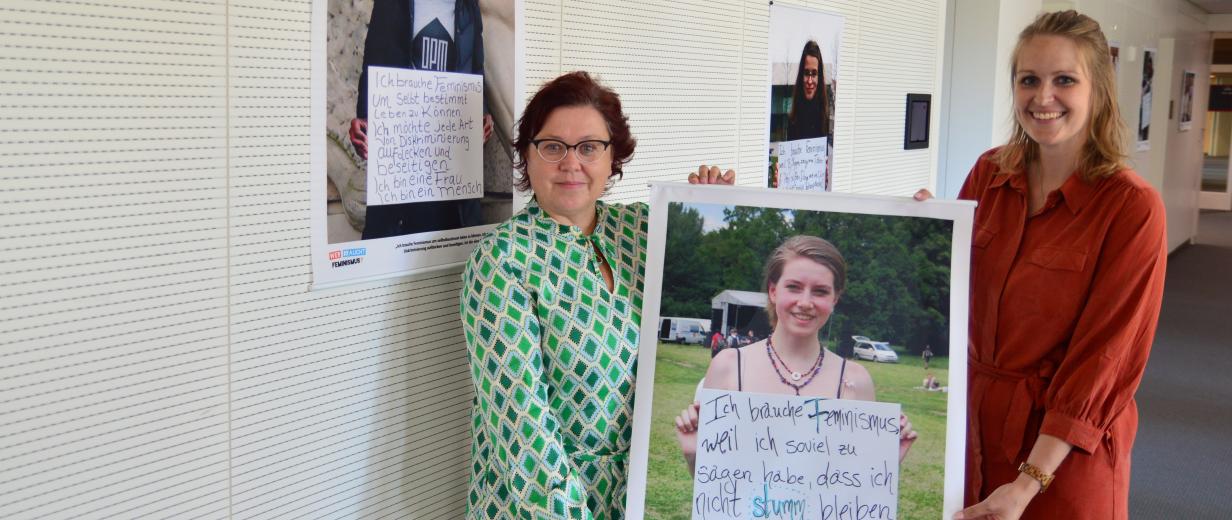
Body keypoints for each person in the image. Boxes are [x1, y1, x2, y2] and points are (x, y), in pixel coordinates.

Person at [917, 11, 1166, 520]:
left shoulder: (1131, 207)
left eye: (1065, 80)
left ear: (1098, 91)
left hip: (1066, 454)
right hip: (974, 436)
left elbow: (1103, 361)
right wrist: (919, 228)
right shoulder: (989, 173)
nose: (1042, 96)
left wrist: (1027, 483)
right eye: (1028, 79)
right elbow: (949, 294)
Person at [459, 71, 735, 519]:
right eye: (552, 147)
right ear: (527, 157)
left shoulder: (643, 230)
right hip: (540, 503)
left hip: (632, 498)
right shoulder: (501, 261)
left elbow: (729, 272)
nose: (571, 164)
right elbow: (522, 431)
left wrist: (717, 204)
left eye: (589, 147)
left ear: (613, 158)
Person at [674, 236, 918, 472]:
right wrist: (694, 455)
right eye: (794, 287)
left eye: (820, 291)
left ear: (835, 299)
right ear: (773, 291)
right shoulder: (728, 366)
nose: (805, 302)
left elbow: (857, 488)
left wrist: (885, 465)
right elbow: (716, 487)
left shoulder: (857, 379)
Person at [349, 0, 496, 239]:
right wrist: (364, 118)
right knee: (391, 243)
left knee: (451, 243)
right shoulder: (391, 4)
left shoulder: (469, 7)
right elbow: (374, 63)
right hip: (401, 164)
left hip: (451, 164)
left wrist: (482, 113)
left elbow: (476, 67)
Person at [785, 40, 830, 141]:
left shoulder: (824, 119)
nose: (810, 81)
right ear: (801, 75)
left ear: (819, 77)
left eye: (814, 74)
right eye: (806, 73)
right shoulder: (792, 119)